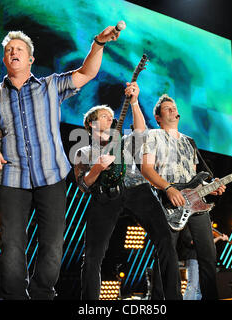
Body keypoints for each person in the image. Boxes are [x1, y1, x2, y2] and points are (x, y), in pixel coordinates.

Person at [0, 26, 121, 300]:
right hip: (11, 179)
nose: (13, 52)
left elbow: (87, 73)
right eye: (8, 50)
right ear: (4, 60)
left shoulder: (50, 85)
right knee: (12, 246)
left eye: (19, 49)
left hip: (51, 176)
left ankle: (42, 295)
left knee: (52, 245)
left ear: (30, 60)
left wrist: (98, 42)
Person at [74, 83, 182, 300]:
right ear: (91, 124)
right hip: (104, 197)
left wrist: (134, 101)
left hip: (137, 190)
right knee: (93, 255)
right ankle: (90, 303)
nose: (109, 119)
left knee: (165, 241)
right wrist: (97, 169)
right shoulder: (83, 152)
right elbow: (83, 186)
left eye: (110, 116)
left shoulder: (123, 142)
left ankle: (172, 298)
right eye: (104, 116)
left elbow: (141, 130)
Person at [141, 94, 226, 300]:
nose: (172, 110)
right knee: (167, 255)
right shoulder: (152, 136)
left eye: (174, 107)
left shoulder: (189, 141)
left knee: (208, 255)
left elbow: (194, 177)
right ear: (158, 117)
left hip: (195, 203)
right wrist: (168, 188)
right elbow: (146, 169)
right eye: (167, 108)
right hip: (168, 202)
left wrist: (208, 187)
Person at [177, 224, 230, 300]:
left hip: (202, 259)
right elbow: (193, 242)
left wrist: (219, 238)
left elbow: (207, 244)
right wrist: (217, 237)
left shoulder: (200, 231)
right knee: (193, 285)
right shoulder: (187, 228)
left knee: (200, 289)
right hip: (193, 258)